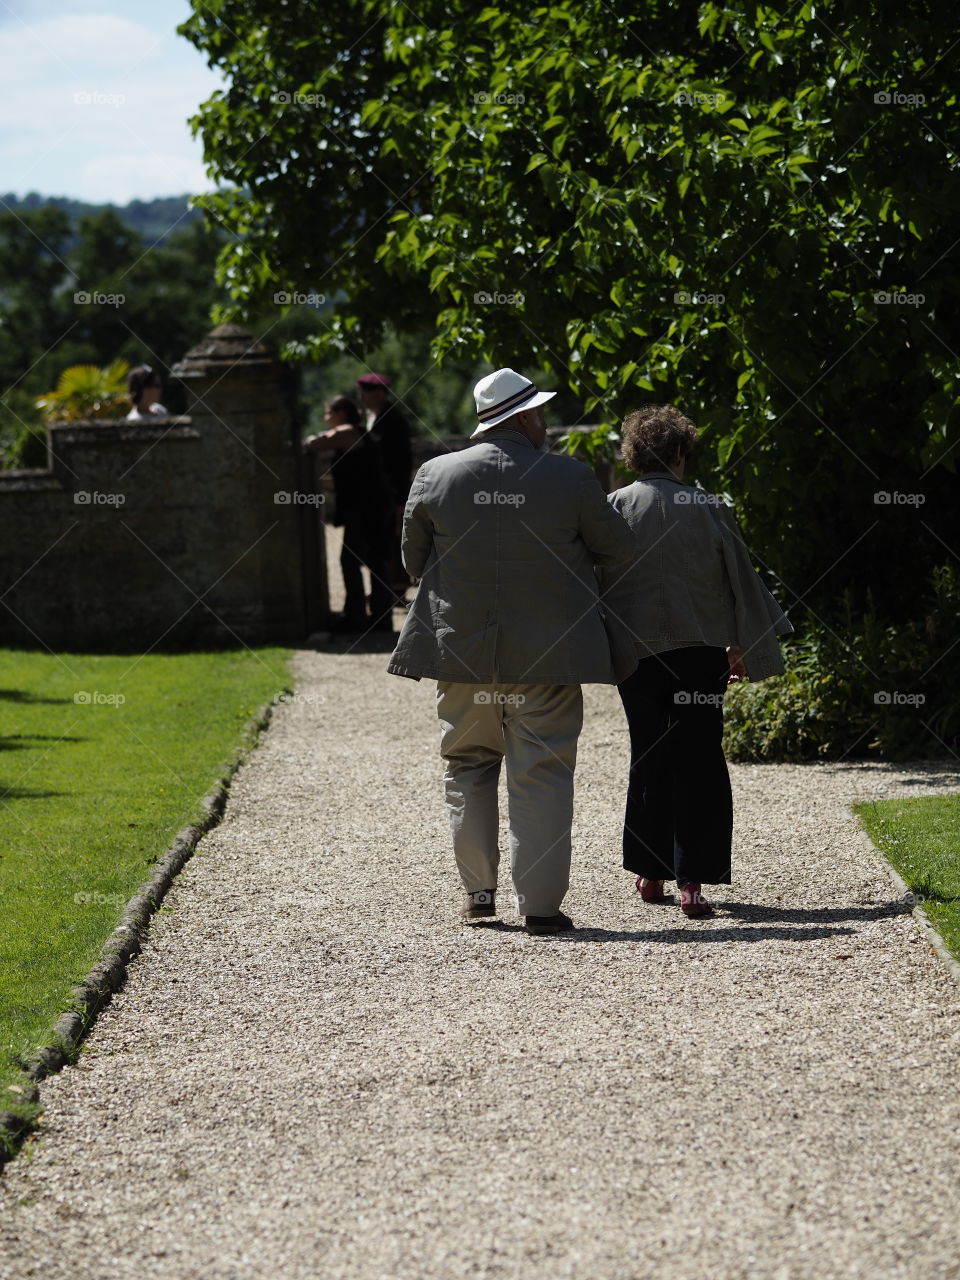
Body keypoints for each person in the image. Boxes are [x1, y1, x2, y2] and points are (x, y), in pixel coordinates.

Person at [388, 367, 638, 935]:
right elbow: (618, 548)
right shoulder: (569, 477)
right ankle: (542, 907)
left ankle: (479, 895)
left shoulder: (435, 474)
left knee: (468, 764)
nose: (546, 423)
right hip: (548, 654)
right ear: (523, 417)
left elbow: (412, 561)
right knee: (543, 770)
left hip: (463, 654)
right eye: (541, 413)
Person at [599, 404, 793, 917]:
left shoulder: (613, 505)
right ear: (681, 451)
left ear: (634, 453)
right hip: (701, 655)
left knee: (648, 755)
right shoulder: (709, 506)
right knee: (700, 759)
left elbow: (594, 584)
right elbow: (740, 582)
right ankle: (692, 882)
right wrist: (745, 645)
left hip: (637, 656)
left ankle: (650, 871)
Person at [304, 395, 394, 633]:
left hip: (365, 509)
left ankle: (356, 617)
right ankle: (380, 618)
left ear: (341, 413)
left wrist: (309, 440)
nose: (326, 419)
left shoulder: (348, 431)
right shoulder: (359, 433)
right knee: (376, 559)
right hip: (371, 507)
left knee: (352, 560)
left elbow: (316, 443)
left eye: (328, 414)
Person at [356, 372, 413, 603]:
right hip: (383, 493)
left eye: (366, 394)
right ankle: (389, 588)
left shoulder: (392, 421)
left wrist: (400, 498)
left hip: (391, 493)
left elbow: (401, 463)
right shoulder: (379, 417)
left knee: (392, 539)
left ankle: (394, 590)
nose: (362, 398)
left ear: (379, 393)